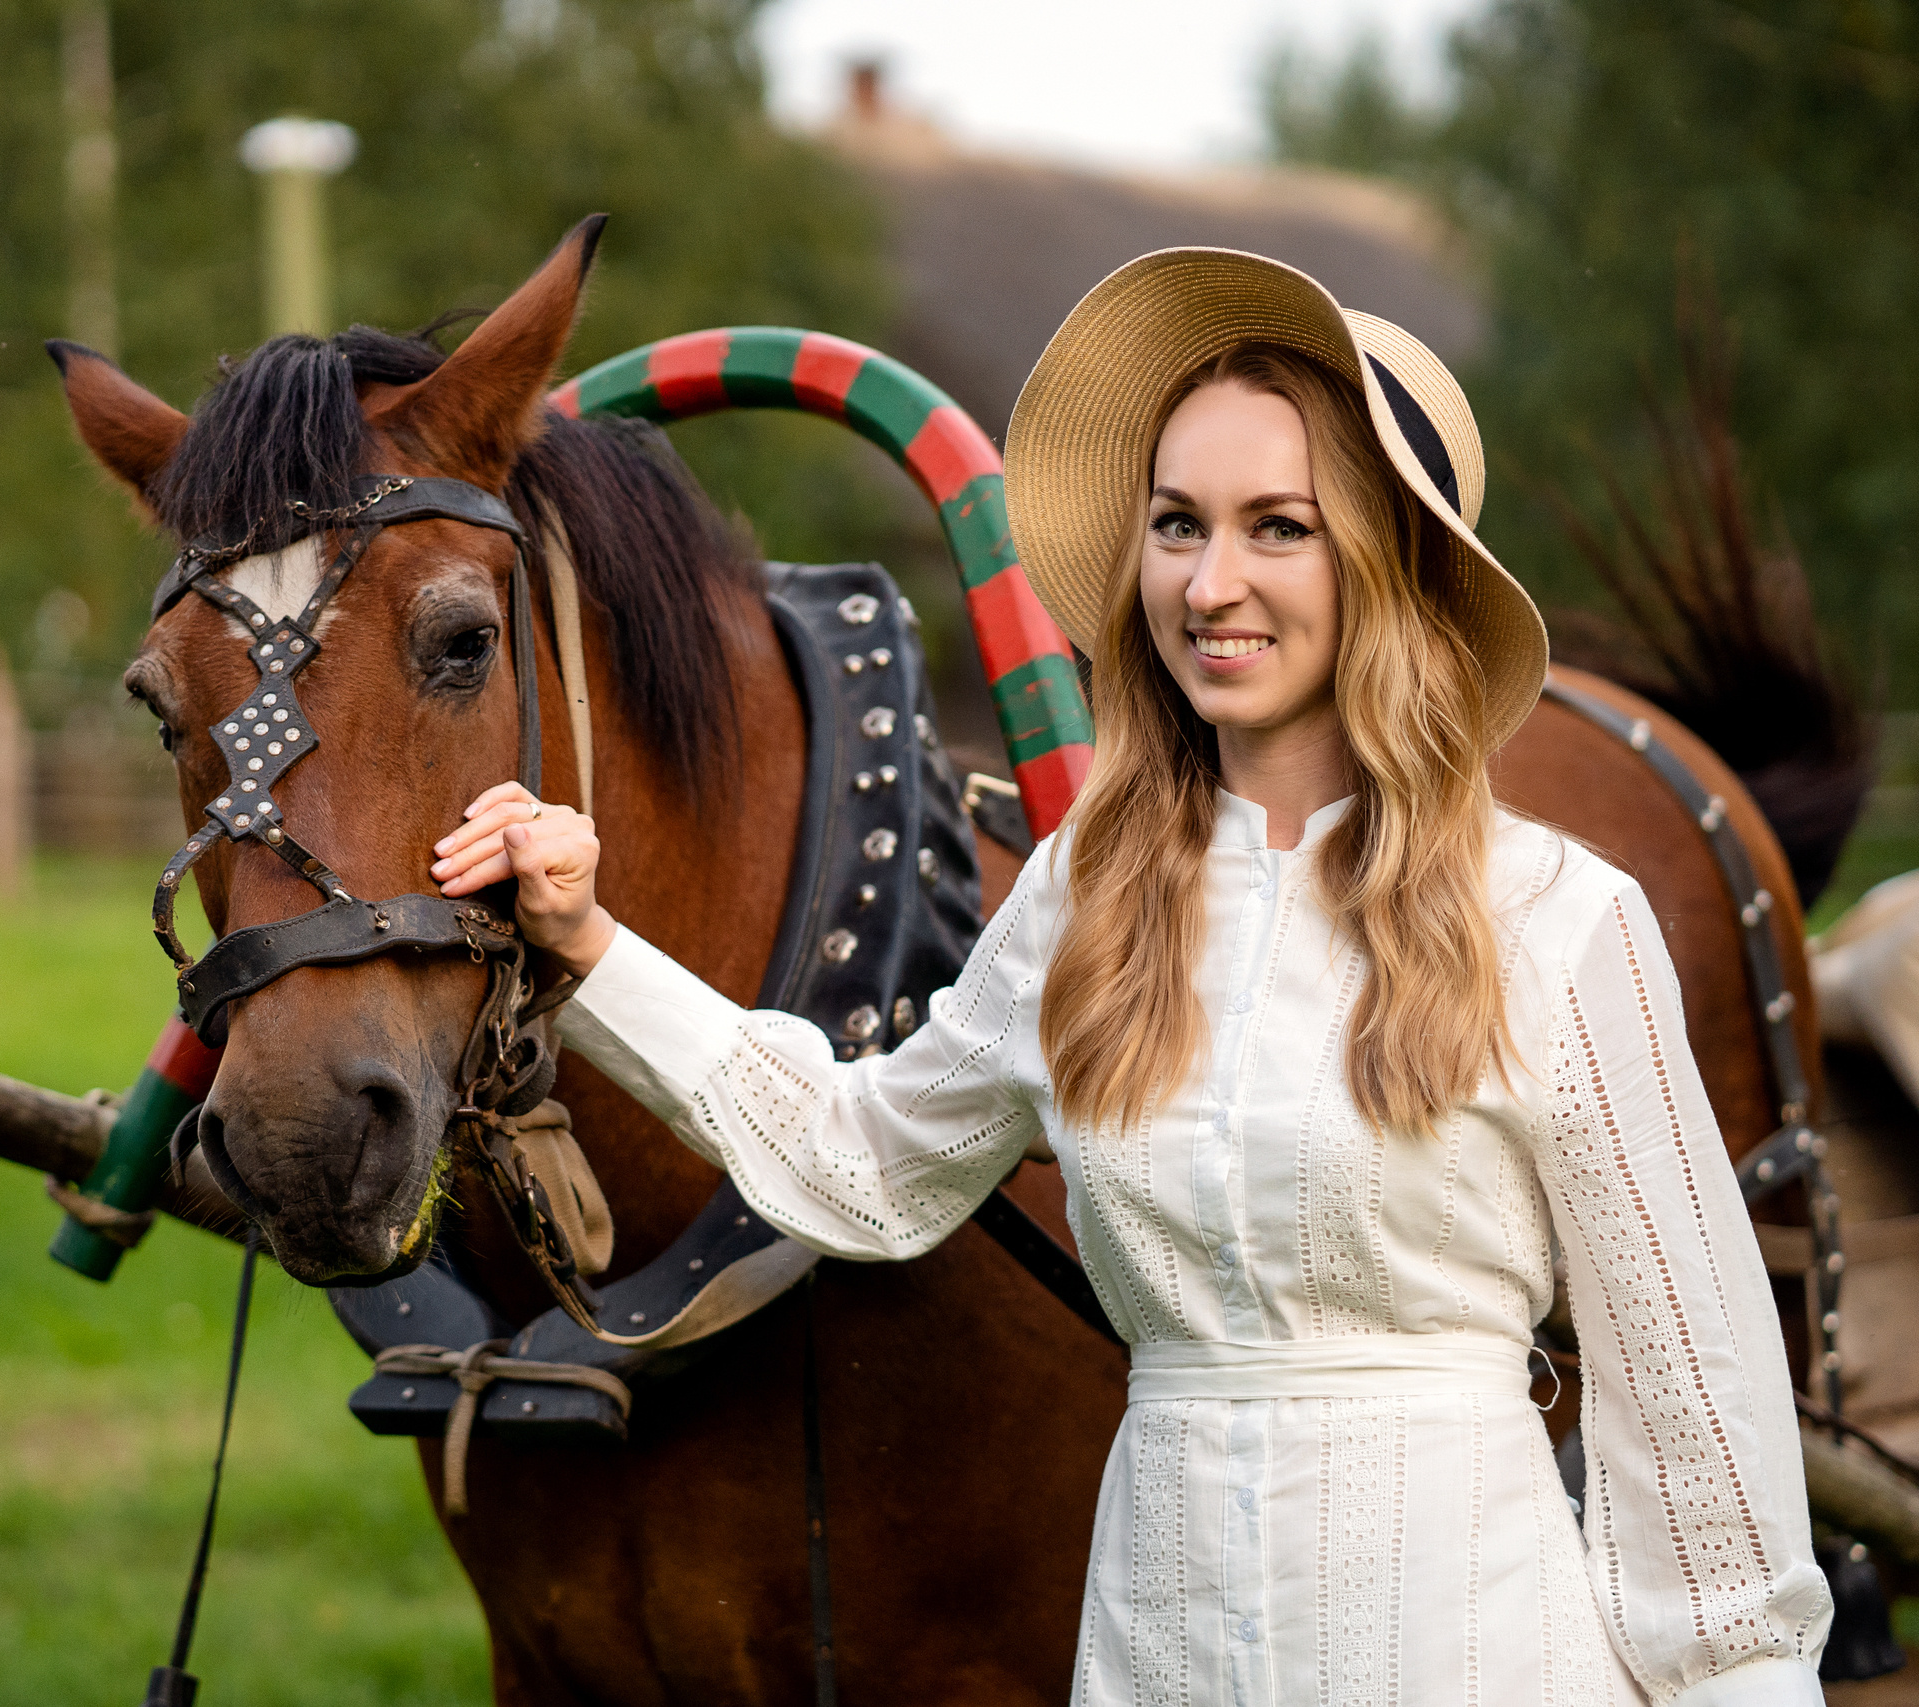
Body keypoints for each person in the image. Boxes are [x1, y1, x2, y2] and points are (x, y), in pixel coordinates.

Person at [426, 248, 1829, 1703]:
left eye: (1278, 527)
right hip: (1159, 1646)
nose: (1210, 583)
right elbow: (864, 1166)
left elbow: (1698, 1415)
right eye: (1178, 525)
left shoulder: (1555, 916)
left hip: (1471, 1644)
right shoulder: (1087, 895)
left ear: (1390, 566)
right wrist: (591, 944)